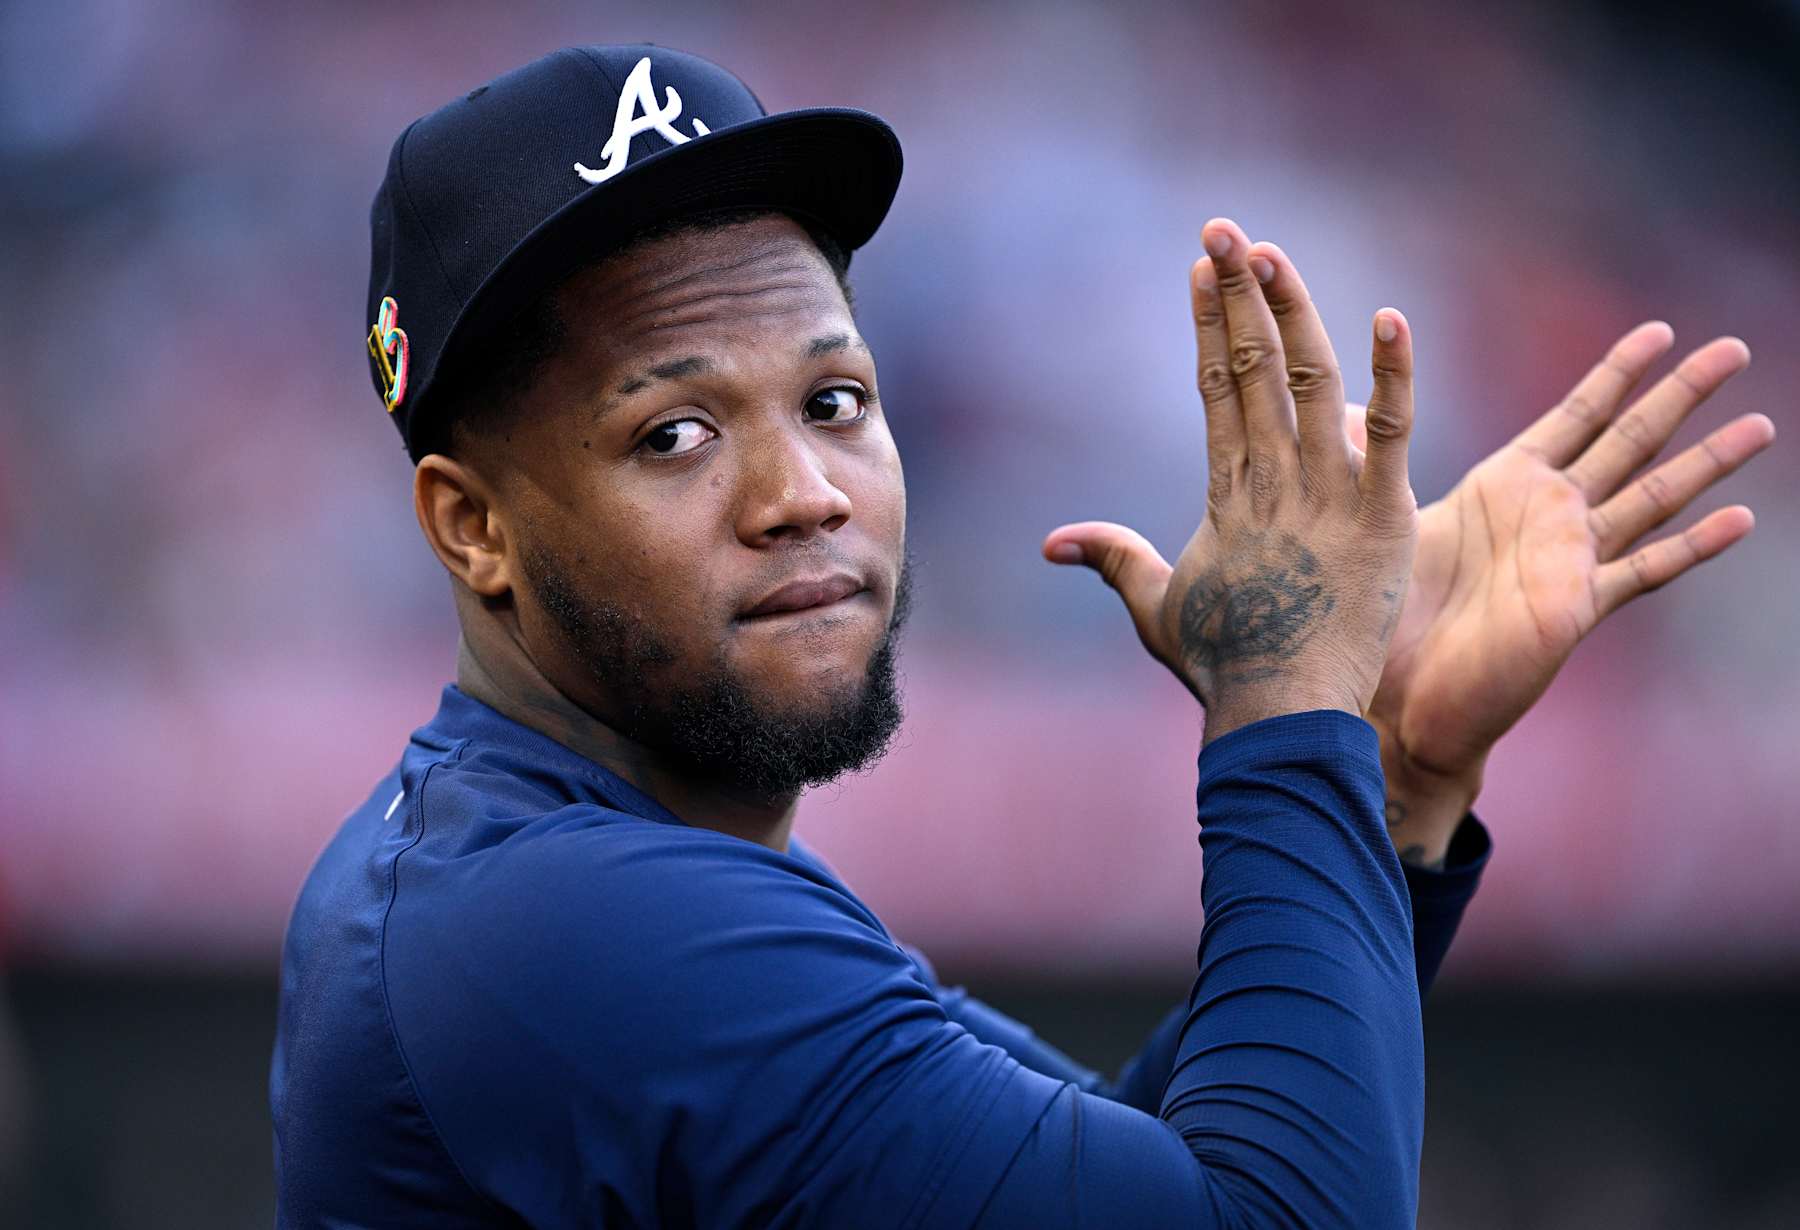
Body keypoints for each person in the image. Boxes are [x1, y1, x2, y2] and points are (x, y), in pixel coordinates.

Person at [270, 45, 1773, 1228]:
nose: (803, 494)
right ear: (473, 525)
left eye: (835, 401)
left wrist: (1380, 779)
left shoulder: (564, 864)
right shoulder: (563, 923)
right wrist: (1281, 695)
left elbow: (1120, 1167)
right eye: (674, 432)